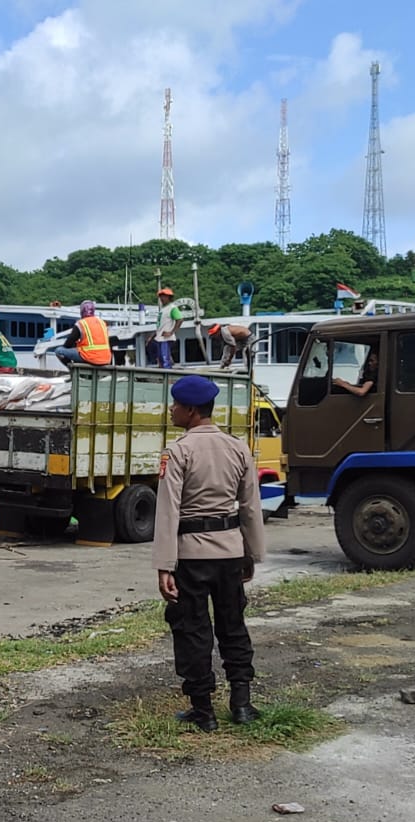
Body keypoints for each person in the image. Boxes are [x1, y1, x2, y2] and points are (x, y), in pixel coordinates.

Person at [153, 375, 269, 731]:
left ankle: (203, 711)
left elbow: (169, 511)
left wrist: (164, 566)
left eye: (175, 405)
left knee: (192, 629)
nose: (171, 410)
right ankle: (242, 704)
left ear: (189, 411)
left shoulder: (178, 451)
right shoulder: (238, 448)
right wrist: (252, 554)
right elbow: (250, 507)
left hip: (191, 555)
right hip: (230, 552)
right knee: (233, 624)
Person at [53, 301, 112, 367]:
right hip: (106, 359)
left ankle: (73, 370)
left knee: (59, 351)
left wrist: (68, 347)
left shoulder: (81, 323)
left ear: (82, 311)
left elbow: (69, 342)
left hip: (90, 357)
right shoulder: (102, 322)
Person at [152, 287, 179, 368]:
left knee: (165, 359)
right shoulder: (163, 309)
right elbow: (160, 325)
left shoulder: (172, 308)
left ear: (168, 297)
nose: (161, 298)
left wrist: (171, 332)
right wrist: (153, 336)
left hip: (166, 338)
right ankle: (164, 377)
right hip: (159, 338)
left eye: (163, 296)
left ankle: (167, 377)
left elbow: (180, 319)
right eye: (160, 296)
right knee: (160, 359)